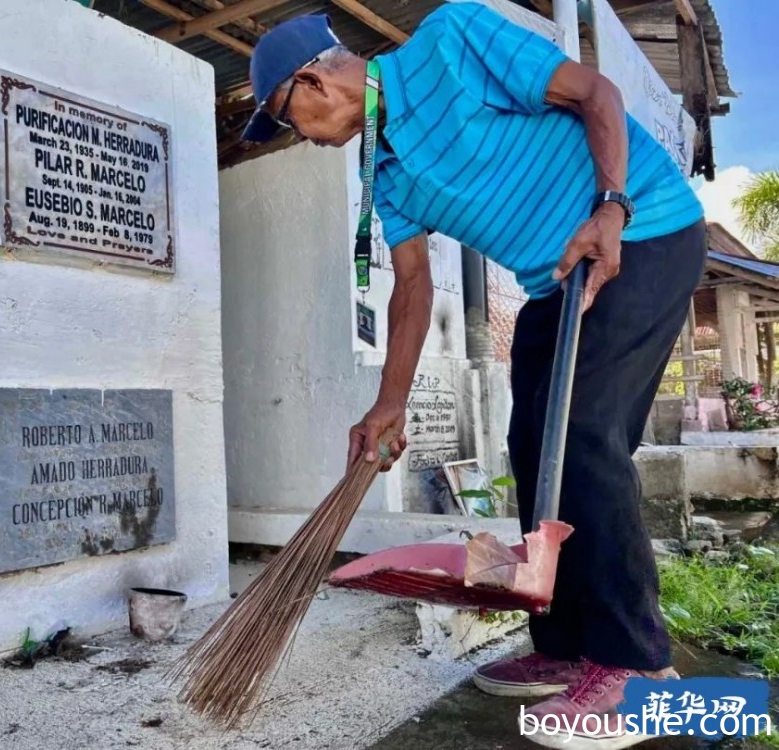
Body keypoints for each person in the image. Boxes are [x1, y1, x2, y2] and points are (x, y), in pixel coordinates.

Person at [240, 3, 707, 748]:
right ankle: (562, 646)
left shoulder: (452, 39)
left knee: (584, 432)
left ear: (312, 81)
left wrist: (611, 207)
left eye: (285, 118)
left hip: (643, 232)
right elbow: (414, 288)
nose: (297, 136)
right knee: (534, 445)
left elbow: (598, 95)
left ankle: (638, 669)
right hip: (557, 282)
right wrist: (386, 406)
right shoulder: (383, 177)